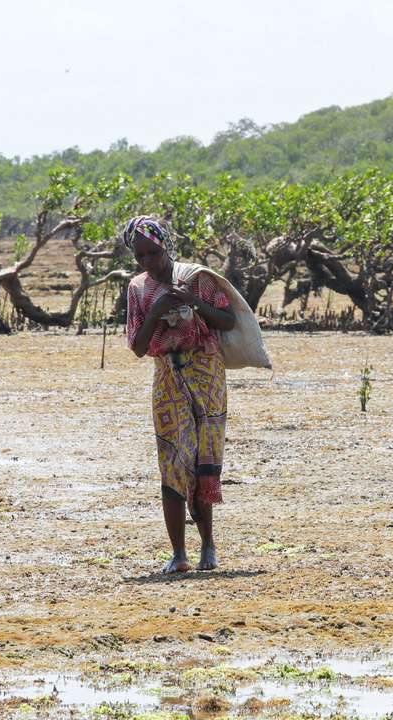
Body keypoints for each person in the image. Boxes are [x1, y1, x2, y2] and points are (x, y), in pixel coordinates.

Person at [123, 216, 237, 573]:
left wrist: (194, 303)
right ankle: (178, 554)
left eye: (153, 253)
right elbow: (139, 347)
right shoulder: (138, 289)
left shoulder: (195, 278)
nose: (147, 262)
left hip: (206, 374)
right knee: (173, 462)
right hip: (168, 378)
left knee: (203, 462)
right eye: (140, 256)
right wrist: (157, 311)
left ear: (165, 246)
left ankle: (208, 547)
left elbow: (228, 320)